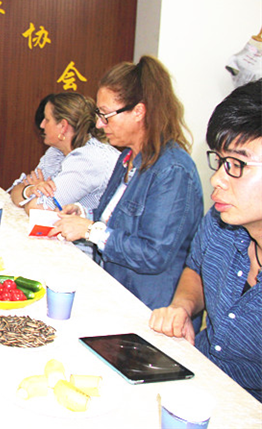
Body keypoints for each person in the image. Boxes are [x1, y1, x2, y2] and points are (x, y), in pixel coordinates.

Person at [50, 56, 203, 311]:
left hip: (148, 306)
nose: (99, 124)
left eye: (106, 115)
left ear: (139, 112)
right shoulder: (127, 158)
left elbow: (153, 254)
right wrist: (84, 215)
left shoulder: (173, 171)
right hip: (115, 291)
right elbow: (120, 223)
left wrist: (90, 230)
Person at [149, 80, 262, 402]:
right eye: (221, 161)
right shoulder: (220, 222)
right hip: (199, 377)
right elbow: (197, 268)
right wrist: (182, 307)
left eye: (237, 165)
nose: (216, 179)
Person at [10, 92, 119, 214]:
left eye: (47, 120)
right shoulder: (56, 151)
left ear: (63, 126)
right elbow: (15, 191)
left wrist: (31, 194)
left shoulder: (90, 159)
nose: (42, 125)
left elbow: (37, 209)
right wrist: (29, 190)